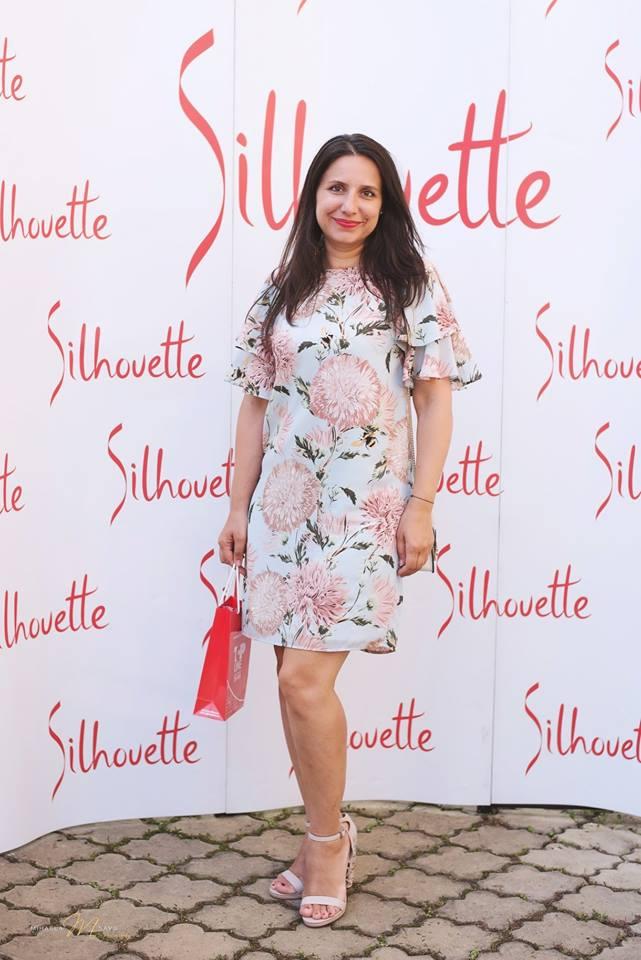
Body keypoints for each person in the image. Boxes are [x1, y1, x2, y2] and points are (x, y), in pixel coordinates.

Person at [217, 133, 482, 927]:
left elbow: (433, 400)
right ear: (313, 197)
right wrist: (237, 507)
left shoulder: (409, 284)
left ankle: (328, 844)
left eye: (367, 192)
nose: (350, 205)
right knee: (289, 685)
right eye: (336, 188)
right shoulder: (282, 287)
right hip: (282, 508)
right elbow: (255, 406)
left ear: (384, 203)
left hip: (362, 510)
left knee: (304, 683)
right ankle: (318, 837)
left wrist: (421, 504)